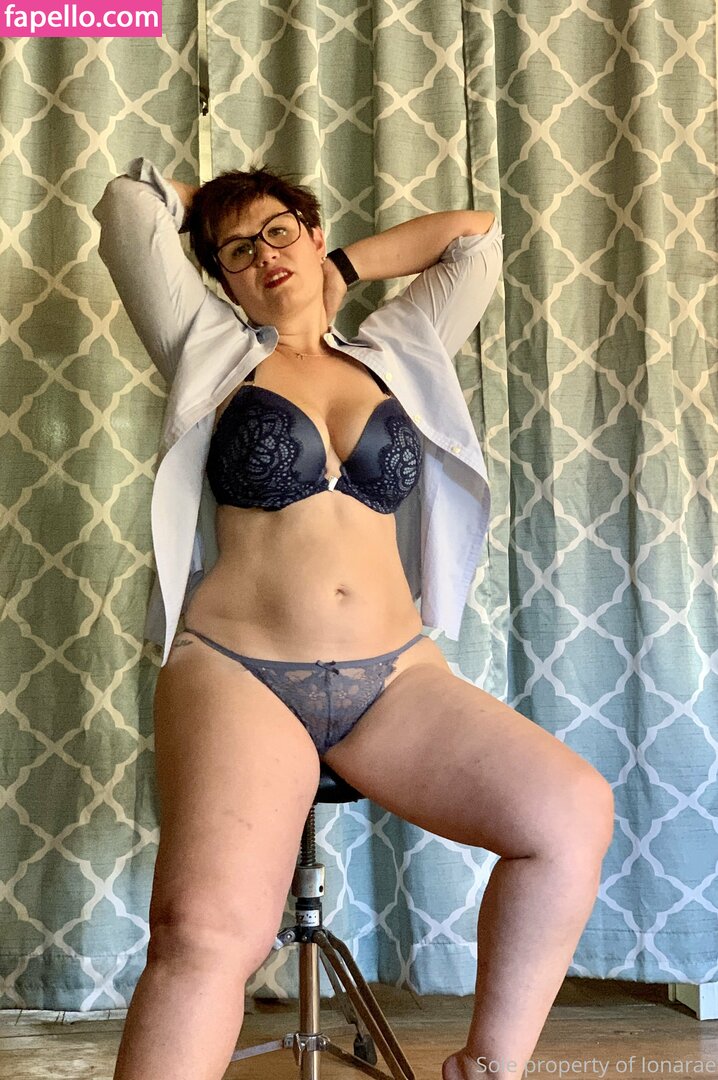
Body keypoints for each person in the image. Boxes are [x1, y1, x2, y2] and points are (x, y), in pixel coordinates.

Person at [93, 157, 614, 1080]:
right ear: (220, 278)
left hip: (396, 678)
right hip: (239, 671)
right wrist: (212, 202)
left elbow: (476, 236)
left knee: (569, 813)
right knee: (202, 933)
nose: (264, 255)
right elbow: (127, 207)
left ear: (314, 233)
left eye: (279, 231)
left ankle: (486, 1068)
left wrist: (347, 268)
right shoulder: (207, 345)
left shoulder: (401, 345)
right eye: (236, 250)